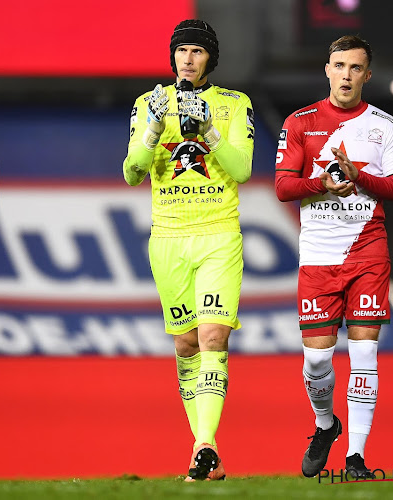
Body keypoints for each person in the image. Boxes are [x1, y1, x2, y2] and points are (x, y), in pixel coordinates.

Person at [274, 35, 393, 479]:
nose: (347, 75)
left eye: (356, 68)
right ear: (327, 69)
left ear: (367, 74)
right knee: (317, 360)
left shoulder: (385, 126)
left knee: (364, 354)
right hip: (317, 255)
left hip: (368, 252)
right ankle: (324, 424)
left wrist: (361, 176)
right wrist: (324, 184)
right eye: (339, 66)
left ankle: (355, 457)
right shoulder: (301, 122)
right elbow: (283, 187)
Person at [122, 19, 254, 481]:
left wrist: (210, 133)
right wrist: (154, 129)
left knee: (212, 337)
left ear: (210, 59)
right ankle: (208, 452)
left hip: (219, 235)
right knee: (184, 344)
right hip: (168, 239)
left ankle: (202, 446)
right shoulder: (148, 103)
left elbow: (241, 170)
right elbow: (133, 173)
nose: (188, 60)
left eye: (198, 52)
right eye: (182, 52)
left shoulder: (235, 104)